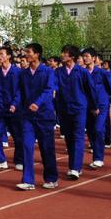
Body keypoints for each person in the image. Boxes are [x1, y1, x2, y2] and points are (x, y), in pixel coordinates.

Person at [17, 43, 59, 190]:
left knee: (46, 148)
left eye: (29, 52)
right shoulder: (23, 73)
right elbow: (20, 93)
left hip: (44, 116)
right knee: (27, 146)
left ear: (37, 54)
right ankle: (28, 180)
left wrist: (38, 103)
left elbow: (49, 90)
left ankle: (51, 178)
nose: (26, 55)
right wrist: (17, 106)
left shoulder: (48, 72)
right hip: (28, 116)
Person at [54, 45, 95, 181]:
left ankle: (75, 168)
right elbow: (54, 87)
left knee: (78, 136)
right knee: (69, 137)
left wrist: (94, 106)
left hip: (79, 108)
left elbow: (90, 90)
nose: (62, 55)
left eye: (65, 53)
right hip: (64, 109)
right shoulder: (58, 72)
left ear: (72, 56)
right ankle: (75, 165)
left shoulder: (82, 72)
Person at [81, 47, 111, 169]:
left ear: (94, 58)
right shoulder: (82, 73)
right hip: (87, 105)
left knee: (99, 129)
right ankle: (96, 152)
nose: (85, 58)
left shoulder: (102, 73)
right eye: (83, 56)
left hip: (101, 105)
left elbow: (110, 87)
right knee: (91, 130)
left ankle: (99, 158)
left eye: (87, 56)